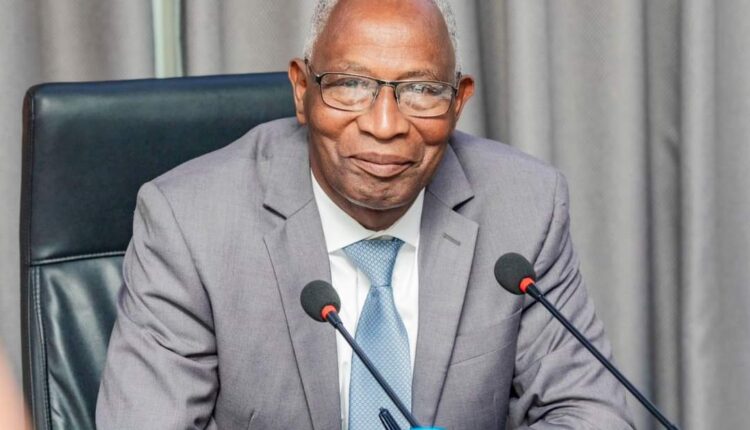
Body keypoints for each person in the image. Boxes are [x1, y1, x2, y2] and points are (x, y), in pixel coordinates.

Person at [96, 0, 634, 428]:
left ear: (458, 101)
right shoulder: (190, 223)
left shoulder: (526, 206)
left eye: (421, 91)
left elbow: (590, 412)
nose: (384, 125)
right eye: (351, 85)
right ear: (302, 91)